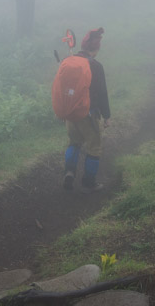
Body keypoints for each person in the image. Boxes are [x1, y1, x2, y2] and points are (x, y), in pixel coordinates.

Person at [63, 27, 111, 193]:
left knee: (74, 143)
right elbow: (102, 93)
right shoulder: (96, 66)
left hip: (70, 113)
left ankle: (69, 171)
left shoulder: (70, 61)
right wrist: (107, 116)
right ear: (96, 48)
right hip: (88, 114)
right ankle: (88, 183)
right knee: (94, 146)